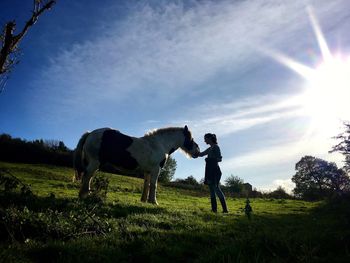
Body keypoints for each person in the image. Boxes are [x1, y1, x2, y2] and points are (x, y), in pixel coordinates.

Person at [194, 133, 228, 213]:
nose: (204, 140)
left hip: (215, 170)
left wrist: (210, 159)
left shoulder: (216, 147)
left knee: (216, 188)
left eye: (205, 138)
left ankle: (225, 210)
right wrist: (193, 152)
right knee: (211, 190)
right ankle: (214, 210)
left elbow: (219, 159)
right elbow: (201, 154)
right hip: (209, 170)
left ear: (209, 138)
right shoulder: (209, 149)